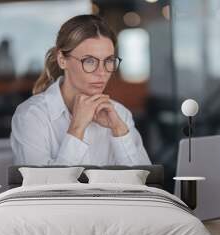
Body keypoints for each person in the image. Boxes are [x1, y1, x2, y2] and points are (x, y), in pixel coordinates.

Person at [10, 14, 151, 166]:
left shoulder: (120, 114)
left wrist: (119, 131)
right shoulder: (31, 117)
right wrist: (77, 128)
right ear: (62, 60)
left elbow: (145, 185)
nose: (102, 72)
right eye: (90, 61)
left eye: (108, 61)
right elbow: (41, 189)